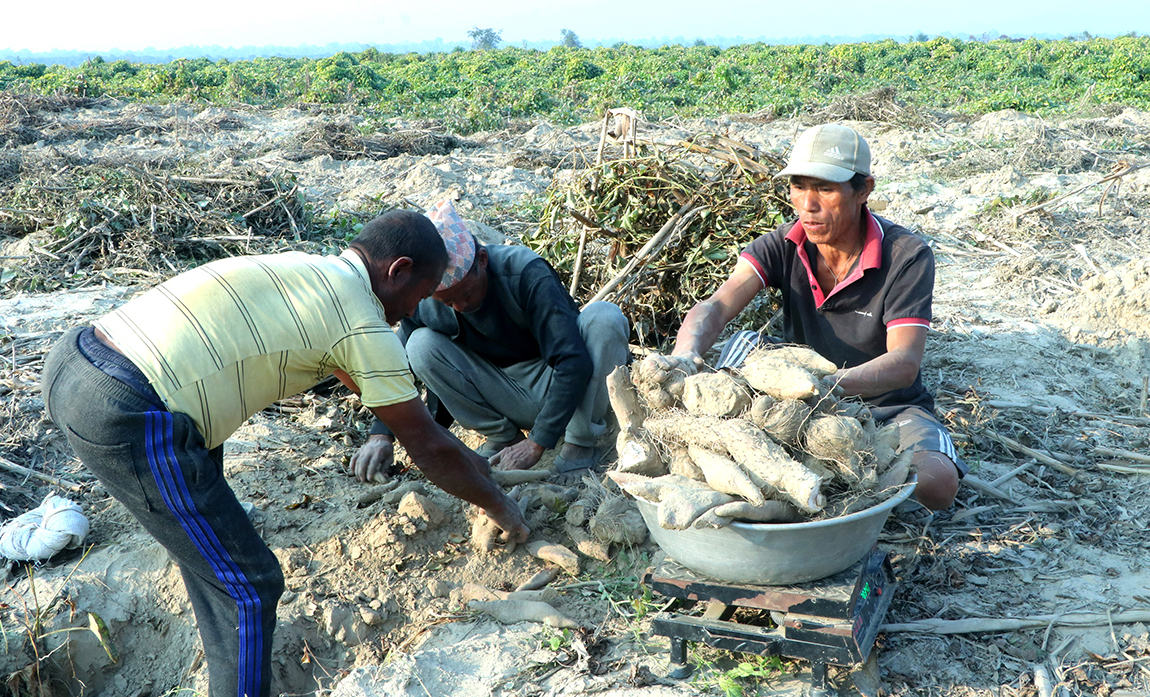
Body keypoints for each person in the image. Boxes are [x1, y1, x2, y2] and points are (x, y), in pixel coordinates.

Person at [41, 210, 529, 697]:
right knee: (248, 586)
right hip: (128, 408)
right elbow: (426, 444)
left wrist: (475, 466)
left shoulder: (310, 271)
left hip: (74, 358)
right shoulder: (360, 320)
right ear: (396, 270)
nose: (411, 313)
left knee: (215, 559)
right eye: (419, 296)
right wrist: (498, 504)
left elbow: (382, 398)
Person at [668, 124, 965, 511]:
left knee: (937, 484)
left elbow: (903, 364)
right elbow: (717, 307)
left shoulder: (905, 256)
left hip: (883, 405)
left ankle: (851, 490)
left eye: (825, 189)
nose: (807, 204)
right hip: (794, 405)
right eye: (798, 186)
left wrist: (817, 386)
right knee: (741, 357)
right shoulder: (784, 242)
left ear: (864, 190)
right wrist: (683, 357)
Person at [351, 200, 630, 482]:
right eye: (447, 301)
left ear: (482, 260)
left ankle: (579, 446)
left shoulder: (524, 272)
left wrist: (537, 443)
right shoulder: (425, 300)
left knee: (605, 317)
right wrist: (380, 435)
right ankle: (504, 439)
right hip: (504, 392)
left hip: (567, 389)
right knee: (419, 346)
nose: (459, 306)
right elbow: (397, 367)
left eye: (466, 294)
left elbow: (572, 360)